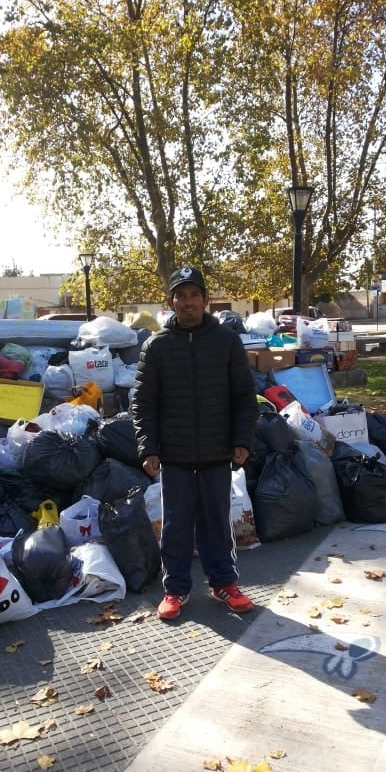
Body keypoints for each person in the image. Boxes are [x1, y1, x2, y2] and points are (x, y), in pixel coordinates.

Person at [131, 266, 259, 620]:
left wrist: (242, 440)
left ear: (205, 299)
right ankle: (175, 589)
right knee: (176, 523)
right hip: (174, 456)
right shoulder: (156, 347)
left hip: (218, 453)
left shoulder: (226, 342)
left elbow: (244, 397)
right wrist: (148, 447)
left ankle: (224, 584)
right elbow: (142, 403)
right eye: (181, 296)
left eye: (194, 295)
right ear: (170, 302)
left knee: (217, 521)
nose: (188, 302)